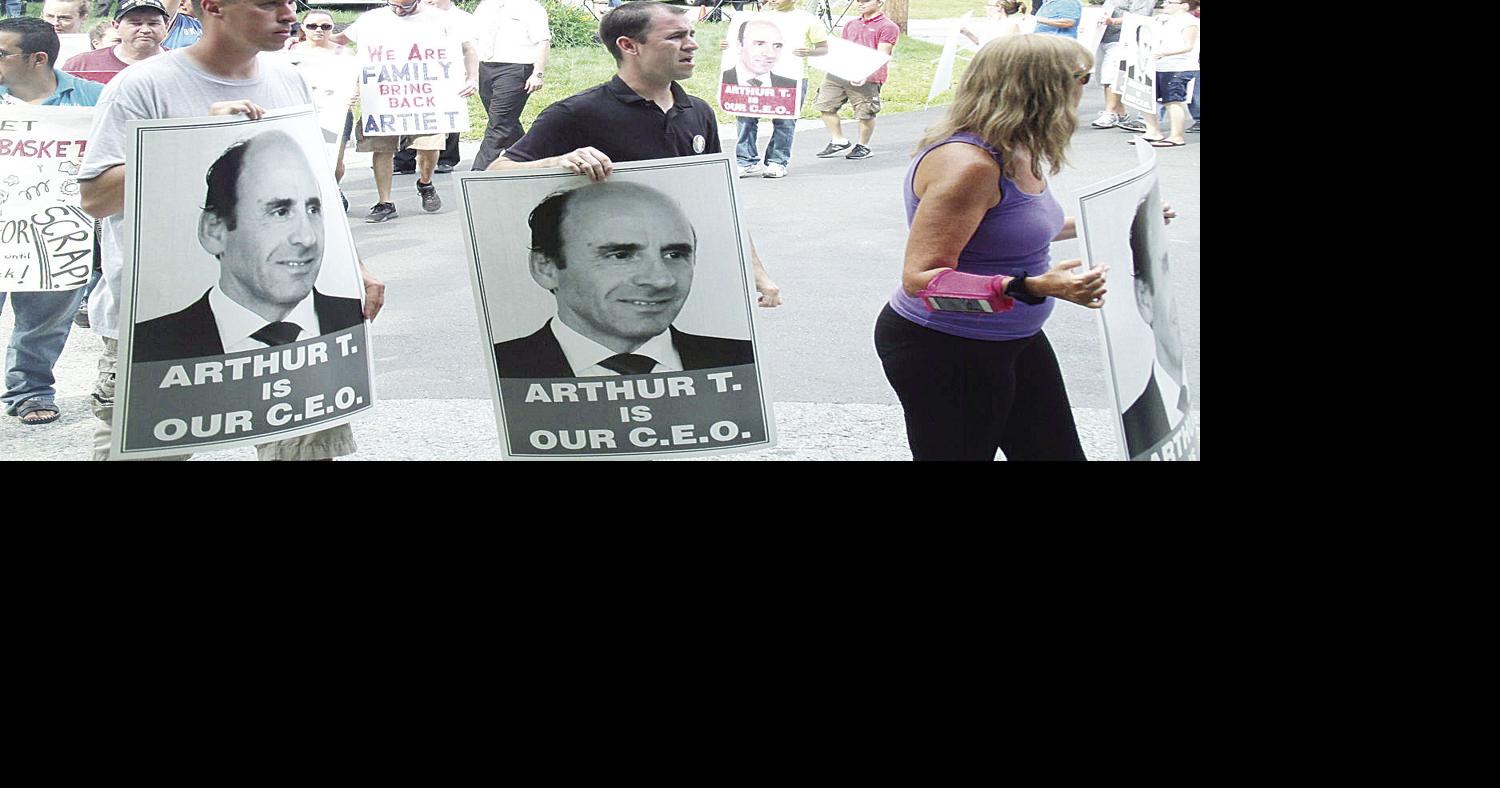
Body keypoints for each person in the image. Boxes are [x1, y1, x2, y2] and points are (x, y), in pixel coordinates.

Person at [78, 0, 386, 461]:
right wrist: (196, 137)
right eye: (267, 4)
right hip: (151, 319)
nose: (288, 15)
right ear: (213, 7)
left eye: (289, 3)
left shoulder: (287, 79)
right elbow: (96, 198)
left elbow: (317, 188)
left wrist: (351, 265)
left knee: (305, 449)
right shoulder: (144, 85)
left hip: (298, 334)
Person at [874, 34, 1168, 461]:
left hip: (1013, 337)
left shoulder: (1015, 147)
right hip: (947, 347)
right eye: (1083, 77)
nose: (1087, 87)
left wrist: (1123, 218)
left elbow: (1018, 231)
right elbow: (922, 279)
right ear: (1040, 87)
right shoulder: (970, 166)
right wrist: (1032, 286)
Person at [486, 1, 781, 307]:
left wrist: (757, 272)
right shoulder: (576, 113)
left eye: (691, 34)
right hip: (613, 285)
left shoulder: (698, 112)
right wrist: (557, 162)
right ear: (628, 46)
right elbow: (496, 171)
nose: (692, 45)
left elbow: (720, 199)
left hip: (687, 277)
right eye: (675, 36)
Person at [131, 132, 362, 362]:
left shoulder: (353, 317)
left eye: (313, 210)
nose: (307, 238)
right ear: (214, 230)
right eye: (280, 212)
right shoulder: (150, 347)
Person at [494, 181, 754, 378]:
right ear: (546, 268)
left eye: (674, 254)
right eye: (621, 255)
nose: (661, 280)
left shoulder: (741, 361)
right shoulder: (506, 369)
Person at [0, 17, 103, 426]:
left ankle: (30, 391)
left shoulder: (94, 100)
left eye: (1, 53)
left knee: (44, 323)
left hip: (57, 233)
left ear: (37, 58)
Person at [329, 0, 478, 223]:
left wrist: (472, 78)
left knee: (429, 147)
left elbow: (468, 48)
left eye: (405, 7)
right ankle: (385, 202)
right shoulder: (372, 19)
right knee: (382, 148)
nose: (399, 10)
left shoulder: (441, 19)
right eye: (394, 5)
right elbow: (340, 41)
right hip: (384, 98)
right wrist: (307, 38)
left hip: (428, 99)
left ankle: (425, 183)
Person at [721, 0, 824, 179]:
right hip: (752, 77)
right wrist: (728, 45)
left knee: (785, 120)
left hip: (793, 78)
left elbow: (823, 48)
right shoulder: (757, 18)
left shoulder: (808, 20)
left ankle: (777, 161)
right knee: (746, 116)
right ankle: (746, 160)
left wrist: (808, 52)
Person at [1121, 188, 1186, 455]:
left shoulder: (1178, 399)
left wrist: (1124, 217)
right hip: (1005, 337)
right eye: (1161, 267)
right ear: (1143, 296)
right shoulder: (1138, 418)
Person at [390, 0, 473, 175]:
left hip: (445, 74)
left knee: (448, 116)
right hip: (410, 74)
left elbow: (468, 48)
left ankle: (446, 159)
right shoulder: (406, 18)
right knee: (407, 115)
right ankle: (403, 160)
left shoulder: (458, 18)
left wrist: (470, 74)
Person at [468, 0, 551, 172]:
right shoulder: (486, 6)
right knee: (506, 121)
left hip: (515, 67)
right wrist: (470, 70)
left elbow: (543, 42)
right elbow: (473, 39)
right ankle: (531, 159)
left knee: (499, 124)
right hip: (485, 66)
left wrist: (538, 73)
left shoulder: (531, 7)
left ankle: (479, 172)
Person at [813, 0, 898, 161]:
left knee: (865, 112)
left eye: (866, 1)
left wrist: (864, 73)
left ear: (880, 2)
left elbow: (882, 55)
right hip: (841, 73)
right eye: (858, 1)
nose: (860, 4)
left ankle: (863, 146)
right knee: (825, 104)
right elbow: (843, 49)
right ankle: (838, 140)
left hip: (868, 77)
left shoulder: (888, 27)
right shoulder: (851, 24)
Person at [1129, 0, 1197, 147]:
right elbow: (1138, 22)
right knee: (1147, 98)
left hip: (1179, 67)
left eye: (1170, 2)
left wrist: (1164, 53)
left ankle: (1176, 136)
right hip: (1158, 65)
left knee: (1172, 100)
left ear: (1184, 5)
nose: (1164, 4)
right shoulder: (1164, 20)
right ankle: (1153, 131)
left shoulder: (1189, 22)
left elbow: (1189, 46)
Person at [61, 0, 168, 84]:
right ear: (116, 26)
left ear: (166, 26)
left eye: (153, 23)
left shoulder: (177, 64)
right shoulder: (81, 66)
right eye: (136, 23)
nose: (145, 30)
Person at [1088, 0, 1152, 129]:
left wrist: (1113, 21)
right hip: (1102, 37)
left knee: (1110, 76)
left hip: (1122, 39)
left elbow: (1140, 17)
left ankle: (1110, 113)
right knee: (1104, 77)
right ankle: (1120, 113)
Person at [721, 17, 794, 88]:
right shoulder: (720, 80)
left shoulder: (793, 87)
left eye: (777, 46)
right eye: (760, 44)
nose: (771, 54)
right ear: (739, 46)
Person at [960, 0, 1025, 47]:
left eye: (989, 5)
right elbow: (984, 45)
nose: (986, 8)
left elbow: (1002, 50)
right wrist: (967, 33)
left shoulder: (1010, 26)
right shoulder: (993, 24)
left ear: (999, 7)